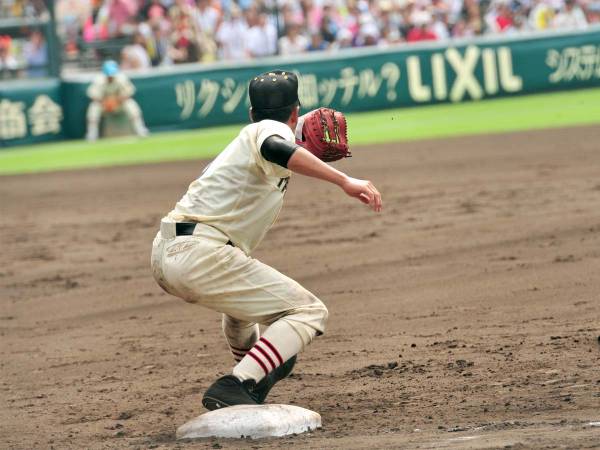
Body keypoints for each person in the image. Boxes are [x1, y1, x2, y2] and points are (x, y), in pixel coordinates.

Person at [150, 70, 382, 410]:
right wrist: (344, 180)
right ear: (293, 111)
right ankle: (240, 382)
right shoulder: (266, 133)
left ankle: (254, 374)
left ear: (250, 111)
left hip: (170, 250)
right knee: (308, 311)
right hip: (198, 253)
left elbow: (279, 142)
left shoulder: (252, 133)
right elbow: (275, 145)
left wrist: (296, 129)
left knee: (241, 314)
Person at [85, 60, 149, 141]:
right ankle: (92, 135)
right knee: (94, 107)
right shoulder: (98, 80)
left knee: (130, 104)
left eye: (112, 75)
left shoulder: (121, 78)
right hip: (104, 105)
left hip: (119, 104)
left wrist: (117, 100)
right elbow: (93, 95)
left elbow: (129, 92)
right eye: (109, 75)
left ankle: (140, 130)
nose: (110, 77)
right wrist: (105, 102)